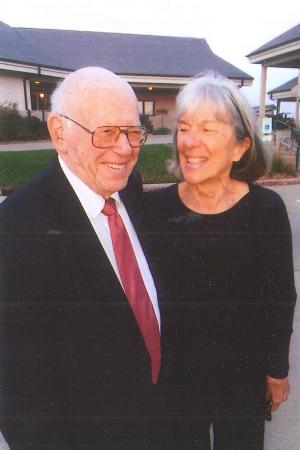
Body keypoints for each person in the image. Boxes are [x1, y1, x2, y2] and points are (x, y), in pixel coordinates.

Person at [0, 67, 161, 449]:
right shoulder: (16, 229)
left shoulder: (128, 187)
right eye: (105, 132)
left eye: (133, 132)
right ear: (59, 133)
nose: (124, 149)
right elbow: (21, 398)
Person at [144, 73, 297, 450]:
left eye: (208, 129)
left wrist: (276, 370)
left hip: (242, 377)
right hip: (174, 381)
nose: (190, 142)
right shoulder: (154, 209)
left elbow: (280, 298)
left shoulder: (264, 210)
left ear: (240, 147)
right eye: (184, 128)